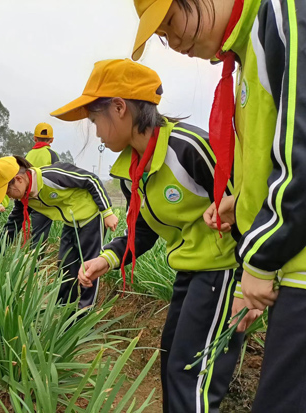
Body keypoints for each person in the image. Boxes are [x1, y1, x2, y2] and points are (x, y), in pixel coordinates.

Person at [129, 0, 306, 411]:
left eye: (170, 21)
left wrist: (258, 261)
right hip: (299, 264)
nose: (174, 41)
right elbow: (280, 152)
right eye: (162, 36)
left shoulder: (282, 11)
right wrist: (240, 204)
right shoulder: (243, 57)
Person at [51, 58, 243, 412]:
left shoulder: (189, 148)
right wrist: (105, 259)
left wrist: (253, 281)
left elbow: (249, 204)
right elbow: (142, 230)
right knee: (171, 360)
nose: (96, 131)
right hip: (190, 271)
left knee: (191, 375)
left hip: (226, 270)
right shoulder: (130, 169)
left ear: (119, 107)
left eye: (95, 120)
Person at [0, 155, 118, 311]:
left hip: (92, 218)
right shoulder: (25, 197)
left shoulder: (52, 176)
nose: (8, 196)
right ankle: (62, 308)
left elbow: (91, 180)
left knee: (88, 269)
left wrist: (107, 212)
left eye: (7, 190)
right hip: (71, 222)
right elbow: (13, 224)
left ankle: (84, 313)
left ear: (19, 179)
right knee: (65, 264)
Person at [14, 122, 60, 246]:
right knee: (40, 233)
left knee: (13, 224)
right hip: (42, 199)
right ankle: (36, 261)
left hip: (23, 197)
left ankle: (0, 251)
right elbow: (57, 176)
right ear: (51, 140)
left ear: (34, 138)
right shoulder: (53, 155)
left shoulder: (27, 155)